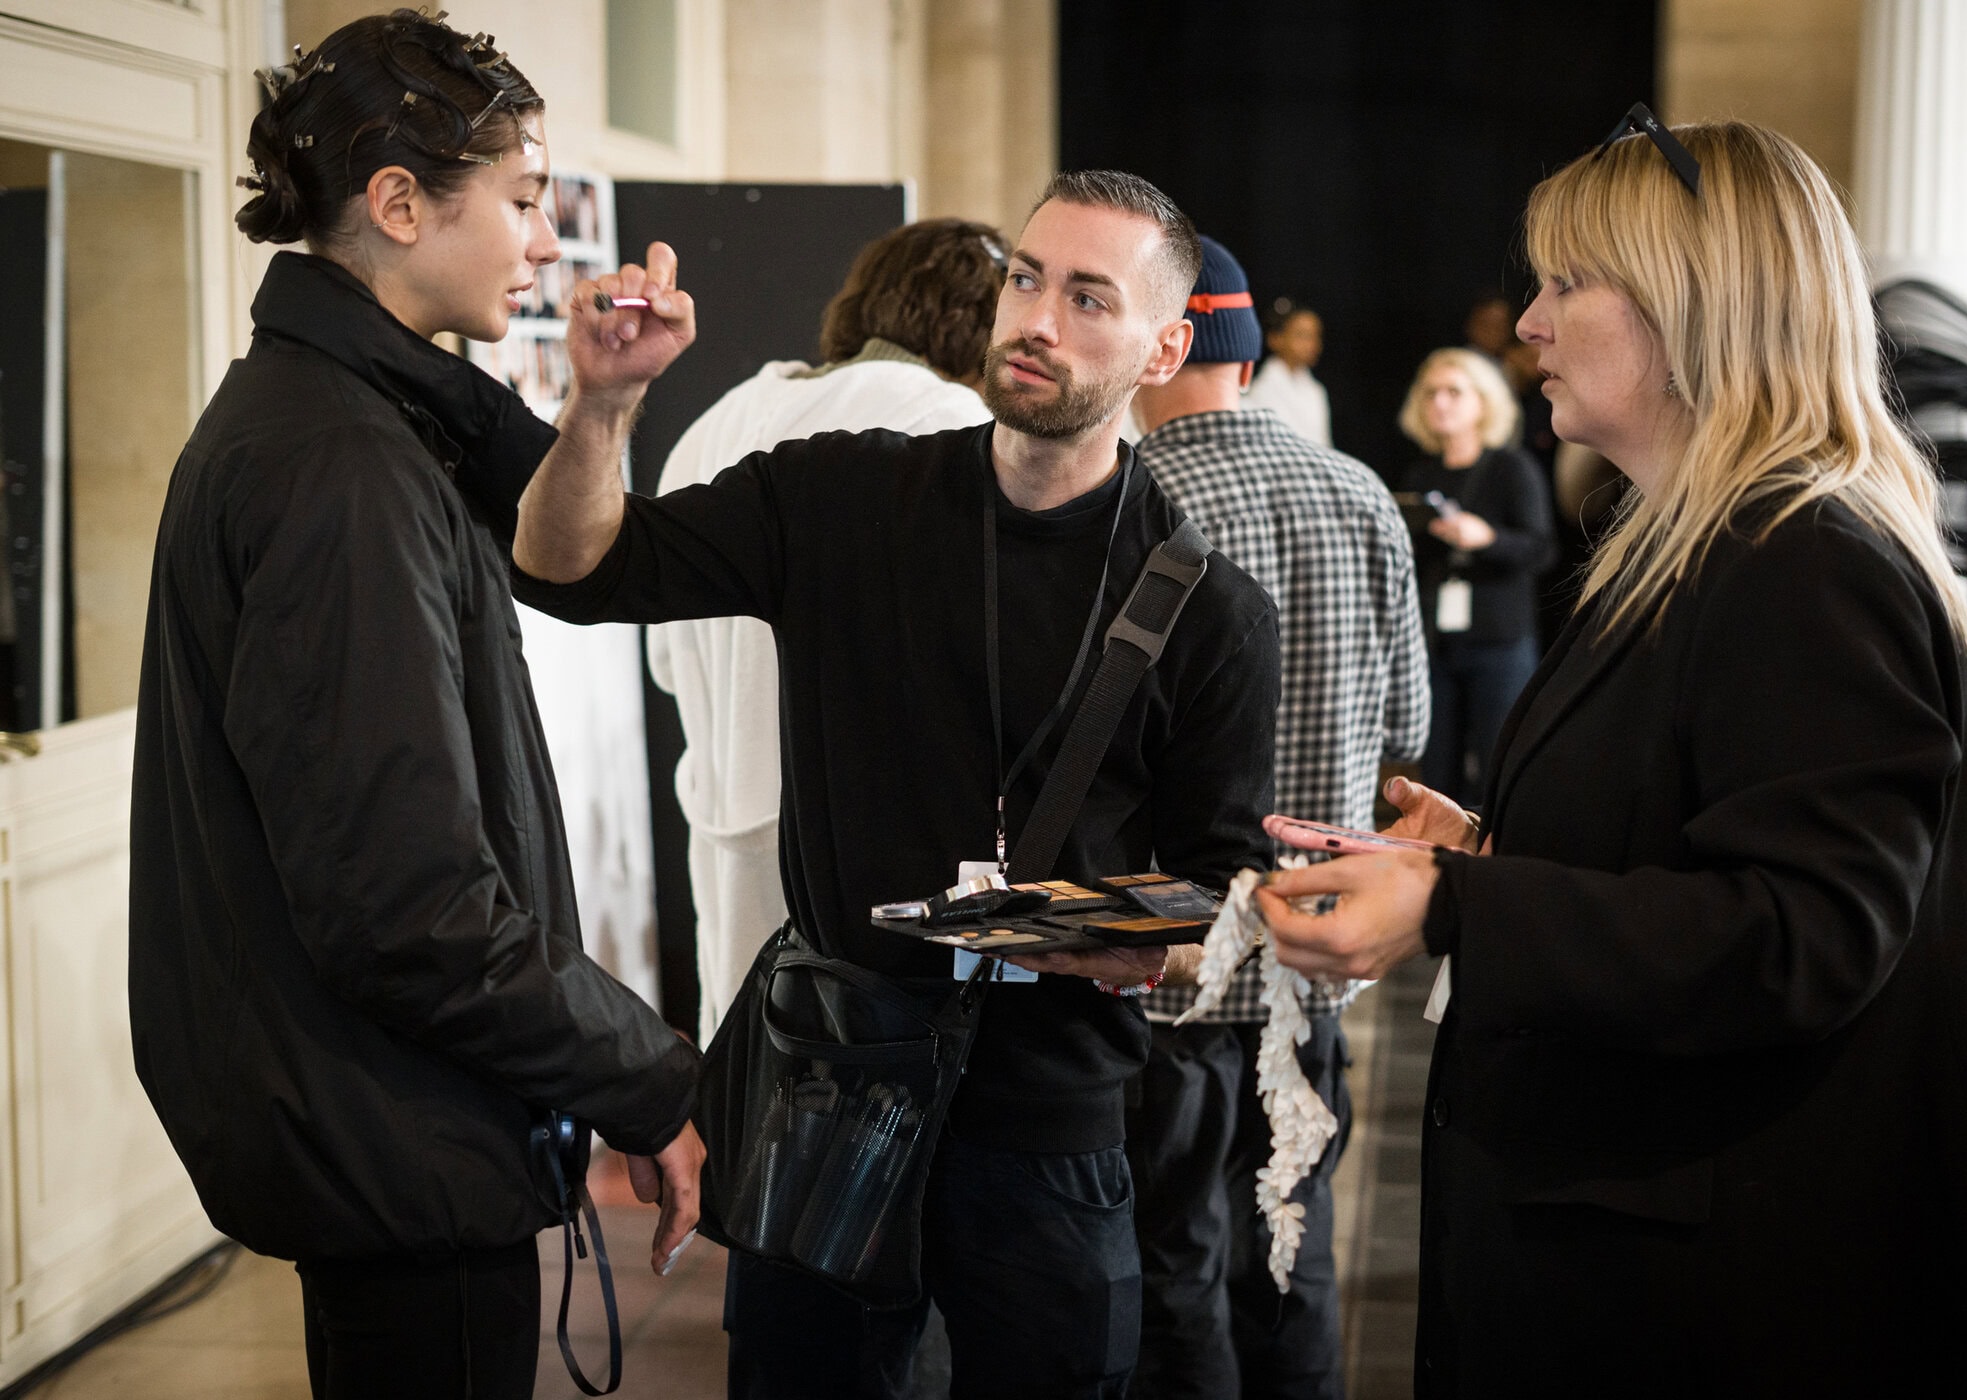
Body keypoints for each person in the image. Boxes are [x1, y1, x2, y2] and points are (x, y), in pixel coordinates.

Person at [1256, 116, 1967, 1395]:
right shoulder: (1696, 542)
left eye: (1567, 283)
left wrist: (1467, 902)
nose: (1530, 323)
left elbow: (1799, 932)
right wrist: (1491, 855)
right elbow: (1688, 854)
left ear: (1695, 305)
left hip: (1719, 1297)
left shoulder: (1805, 558)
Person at [512, 170, 1282, 1399]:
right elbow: (573, 572)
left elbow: (1219, 910)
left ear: (1163, 346)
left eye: (1090, 298)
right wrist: (603, 406)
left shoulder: (1209, 610)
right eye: (1027, 278)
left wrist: (1084, 930)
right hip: (834, 1092)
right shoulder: (842, 493)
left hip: (1050, 1122)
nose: (1038, 319)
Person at [128, 12, 704, 1398]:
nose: (546, 242)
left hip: (397, 1126)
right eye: (519, 201)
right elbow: (409, 910)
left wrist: (604, 409)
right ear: (398, 205)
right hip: (400, 1138)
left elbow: (565, 554)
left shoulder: (359, 413)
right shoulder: (338, 466)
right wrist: (653, 1077)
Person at [1126, 236, 1428, 1399]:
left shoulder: (1133, 503)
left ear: (1160, 344)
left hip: (1172, 961)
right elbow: (1406, 722)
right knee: (1294, 1253)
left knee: (1171, 1260)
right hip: (1315, 951)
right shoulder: (1362, 493)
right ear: (1247, 353)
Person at [645, 218, 1003, 1047]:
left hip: (729, 840)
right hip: (877, 867)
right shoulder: (951, 422)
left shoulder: (713, 423)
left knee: (754, 1114)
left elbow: (668, 663)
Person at [1395, 348, 1555, 808]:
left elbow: (1541, 549)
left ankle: (1490, 870)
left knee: (1498, 765)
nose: (1440, 402)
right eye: (1431, 393)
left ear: (1483, 402)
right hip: (1437, 643)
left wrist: (1485, 539)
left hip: (1499, 641)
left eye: (1453, 392)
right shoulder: (1422, 472)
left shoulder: (1511, 467)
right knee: (1436, 772)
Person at [1243, 300, 1331, 446]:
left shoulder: (1316, 390)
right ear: (1275, 339)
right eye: (1302, 335)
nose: (1312, 344)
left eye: (1315, 336)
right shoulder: (1261, 390)